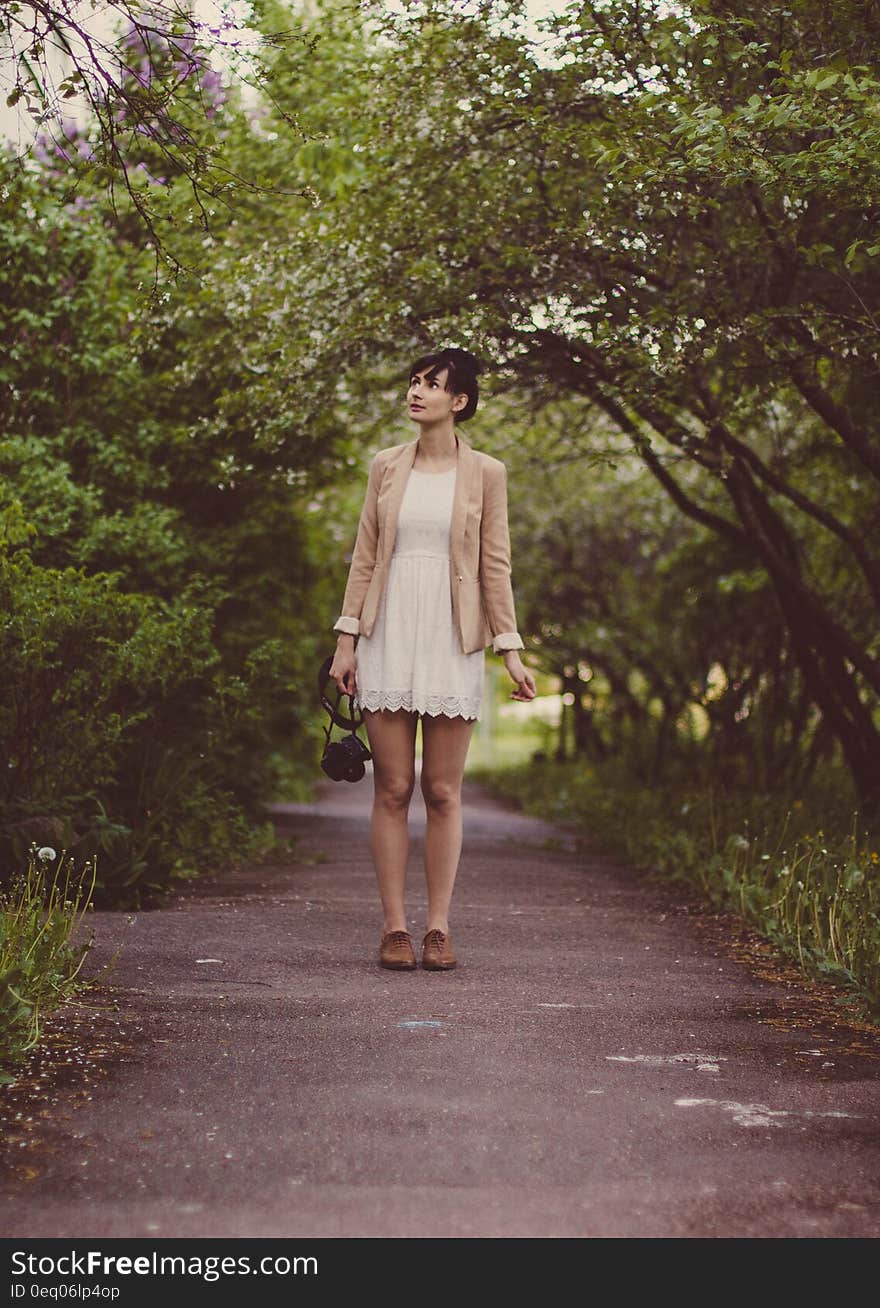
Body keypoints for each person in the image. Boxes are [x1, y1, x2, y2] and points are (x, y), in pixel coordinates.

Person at [328, 347, 537, 972]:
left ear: (460, 401)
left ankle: (439, 926)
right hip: (387, 632)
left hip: (452, 638)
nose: (417, 392)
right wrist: (346, 639)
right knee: (392, 787)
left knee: (443, 790)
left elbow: (493, 563)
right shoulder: (386, 467)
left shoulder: (487, 474)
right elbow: (365, 555)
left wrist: (511, 647)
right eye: (414, 382)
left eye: (432, 384)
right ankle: (395, 927)